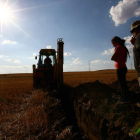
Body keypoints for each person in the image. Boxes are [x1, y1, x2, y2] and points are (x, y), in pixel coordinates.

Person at [111, 36, 130, 101]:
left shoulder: (118, 48)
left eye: (113, 43)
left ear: (116, 42)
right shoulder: (121, 47)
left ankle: (124, 98)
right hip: (122, 67)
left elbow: (112, 58)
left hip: (120, 68)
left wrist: (115, 57)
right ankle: (125, 96)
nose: (113, 45)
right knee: (123, 83)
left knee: (122, 84)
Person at [130, 20, 140, 93]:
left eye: (132, 32)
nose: (132, 34)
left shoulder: (139, 36)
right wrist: (134, 44)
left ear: (135, 29)